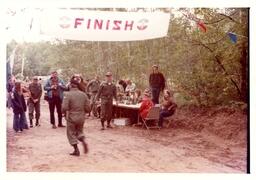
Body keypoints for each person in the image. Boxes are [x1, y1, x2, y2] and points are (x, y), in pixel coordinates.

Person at [62, 77, 91, 156]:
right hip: (81, 117)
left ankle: (76, 150)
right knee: (79, 131)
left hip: (71, 117)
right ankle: (83, 140)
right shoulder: (83, 94)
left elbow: (64, 107)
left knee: (71, 133)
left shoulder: (67, 94)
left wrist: (63, 113)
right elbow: (88, 108)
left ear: (71, 85)